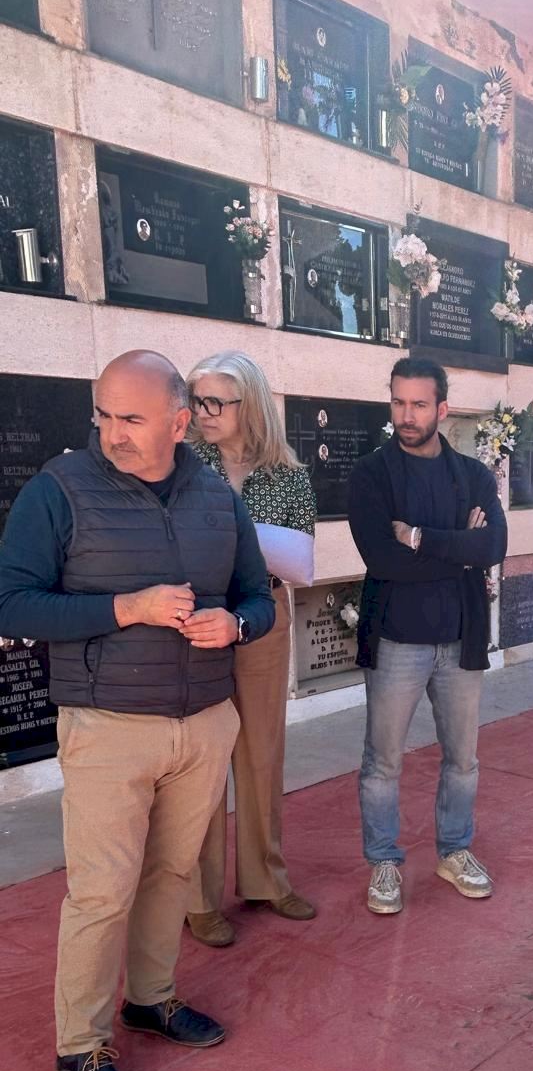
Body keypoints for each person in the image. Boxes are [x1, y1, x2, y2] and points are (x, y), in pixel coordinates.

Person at [0, 350, 274, 1071]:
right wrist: (128, 608)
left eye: (131, 418)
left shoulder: (217, 498)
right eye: (103, 414)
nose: (111, 432)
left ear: (180, 423)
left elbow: (258, 596)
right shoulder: (58, 490)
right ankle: (80, 1046)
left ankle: (151, 999)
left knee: (172, 873)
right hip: (108, 727)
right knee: (101, 892)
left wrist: (237, 624)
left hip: (204, 722)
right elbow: (11, 604)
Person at [348, 357, 507, 915]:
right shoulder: (371, 475)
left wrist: (419, 537)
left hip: (460, 640)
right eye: (398, 402)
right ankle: (384, 861)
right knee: (383, 761)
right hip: (396, 641)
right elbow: (383, 560)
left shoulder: (473, 476)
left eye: (418, 404)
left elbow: (493, 548)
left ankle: (454, 850)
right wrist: (458, 548)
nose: (406, 415)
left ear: (442, 409)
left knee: (463, 759)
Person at [183, 352, 318, 947]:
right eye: (198, 400)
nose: (203, 412)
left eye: (216, 401)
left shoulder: (288, 475)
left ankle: (266, 879)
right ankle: (197, 897)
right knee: (203, 759)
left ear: (251, 405)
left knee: (262, 753)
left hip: (263, 616)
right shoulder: (183, 464)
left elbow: (301, 560)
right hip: (196, 621)